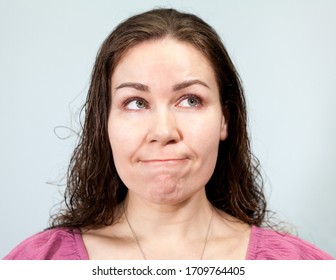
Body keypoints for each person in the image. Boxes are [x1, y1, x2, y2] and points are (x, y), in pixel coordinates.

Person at [4, 8, 333, 260]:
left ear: (224, 120)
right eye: (135, 102)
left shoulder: (301, 266)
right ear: (104, 123)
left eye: (190, 100)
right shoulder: (38, 263)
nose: (163, 132)